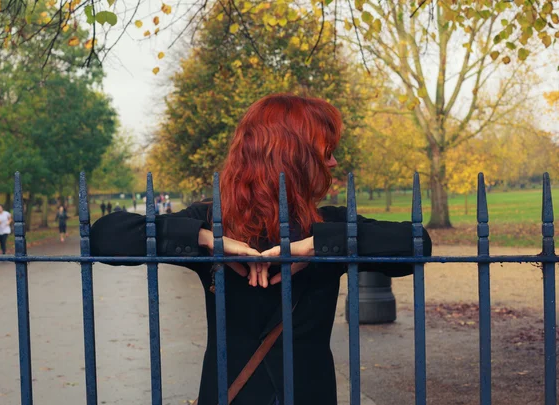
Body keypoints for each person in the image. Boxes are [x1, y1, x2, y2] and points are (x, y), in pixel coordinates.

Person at [90, 94, 432, 405]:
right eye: (326, 151)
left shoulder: (328, 225)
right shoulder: (211, 221)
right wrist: (207, 240)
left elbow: (417, 243)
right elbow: (105, 237)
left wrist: (320, 246)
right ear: (294, 155)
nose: (333, 163)